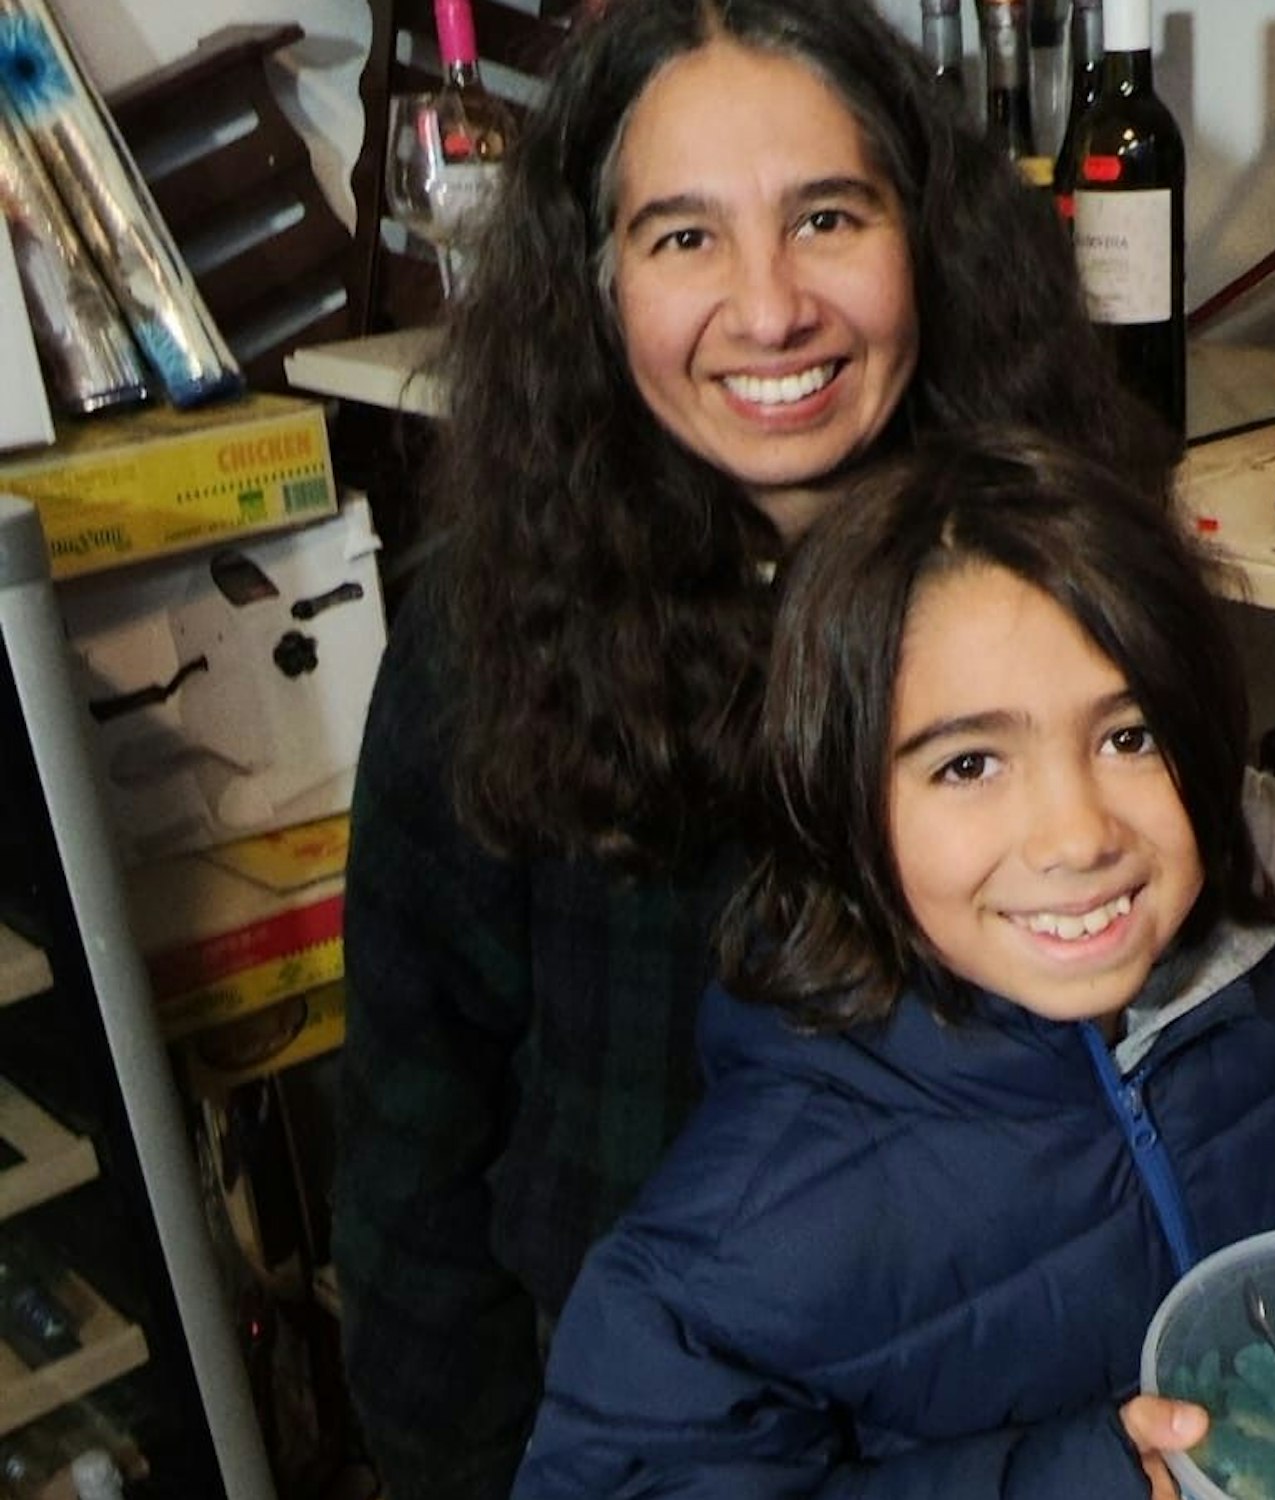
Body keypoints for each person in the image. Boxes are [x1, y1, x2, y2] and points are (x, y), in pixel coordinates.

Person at [330, 0, 1178, 1493]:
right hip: (649, 1434)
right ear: (595, 284)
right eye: (683, 237)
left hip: (1013, 1413)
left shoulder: (1064, 571)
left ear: (927, 238)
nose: (772, 307)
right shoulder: (486, 628)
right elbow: (414, 1117)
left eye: (827, 217)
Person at [511, 431, 1275, 1500]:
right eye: (968, 763)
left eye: (1129, 736)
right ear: (845, 804)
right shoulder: (758, 1209)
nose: (1074, 836)